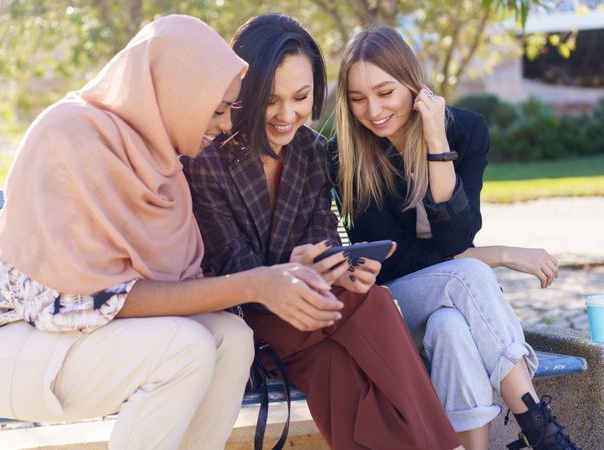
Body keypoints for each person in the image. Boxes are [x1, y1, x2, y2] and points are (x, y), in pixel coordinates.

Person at [0, 15, 346, 450]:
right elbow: (92, 300)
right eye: (220, 109)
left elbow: (176, 289)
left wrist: (279, 277)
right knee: (183, 348)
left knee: (233, 339)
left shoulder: (162, 164)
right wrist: (256, 283)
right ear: (177, 94)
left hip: (82, 340)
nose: (226, 125)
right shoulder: (70, 136)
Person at [183, 14, 461, 450]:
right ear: (244, 92)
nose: (287, 114)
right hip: (246, 319)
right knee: (371, 303)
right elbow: (230, 266)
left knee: (340, 367)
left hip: (316, 325)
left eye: (301, 97)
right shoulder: (207, 157)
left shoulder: (310, 150)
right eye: (270, 100)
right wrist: (293, 275)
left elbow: (324, 235)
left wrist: (342, 270)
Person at [330, 26, 581, 450]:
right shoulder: (345, 155)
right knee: (467, 275)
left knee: (449, 327)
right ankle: (540, 429)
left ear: (413, 83)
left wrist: (435, 142)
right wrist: (498, 255)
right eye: (357, 98)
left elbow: (455, 238)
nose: (372, 110)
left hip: (445, 300)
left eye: (385, 92)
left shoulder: (464, 131)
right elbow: (395, 260)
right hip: (387, 305)